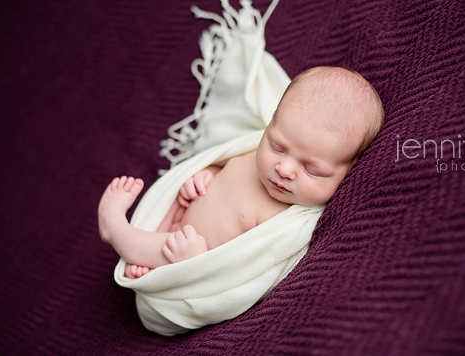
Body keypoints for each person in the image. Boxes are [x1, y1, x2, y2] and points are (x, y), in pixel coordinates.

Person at [97, 66, 384, 278]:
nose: (283, 169)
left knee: (171, 250)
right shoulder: (250, 153)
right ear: (271, 123)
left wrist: (198, 263)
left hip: (191, 260)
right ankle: (149, 254)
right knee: (172, 207)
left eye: (311, 170)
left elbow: (246, 271)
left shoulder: (287, 223)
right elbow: (223, 165)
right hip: (175, 224)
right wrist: (205, 173)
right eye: (277, 146)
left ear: (347, 172)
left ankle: (116, 229)